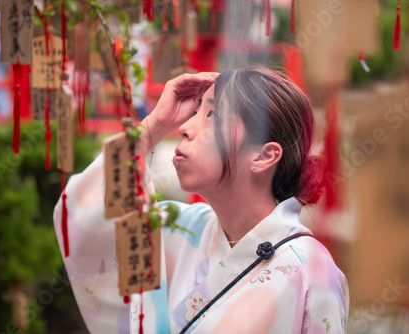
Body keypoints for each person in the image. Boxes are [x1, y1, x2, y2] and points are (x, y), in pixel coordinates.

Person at [53, 67, 349, 333]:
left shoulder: (310, 271)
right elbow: (82, 217)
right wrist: (154, 125)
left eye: (213, 115)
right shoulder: (179, 230)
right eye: (196, 112)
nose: (184, 127)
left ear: (263, 155)